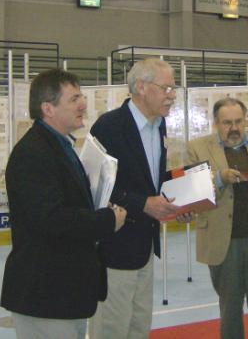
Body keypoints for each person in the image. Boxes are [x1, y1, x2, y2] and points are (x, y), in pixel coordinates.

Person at [0, 68, 127, 339]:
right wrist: (107, 220)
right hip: (45, 295)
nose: (83, 104)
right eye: (73, 99)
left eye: (81, 97)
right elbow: (52, 219)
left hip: (64, 293)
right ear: (48, 108)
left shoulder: (59, 145)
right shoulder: (33, 154)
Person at [88, 58, 181, 339]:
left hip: (145, 246)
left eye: (174, 88)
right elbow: (95, 186)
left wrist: (180, 203)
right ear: (141, 86)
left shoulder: (159, 126)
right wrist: (143, 204)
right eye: (166, 88)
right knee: (112, 329)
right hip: (114, 247)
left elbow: (151, 182)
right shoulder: (109, 126)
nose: (172, 95)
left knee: (139, 326)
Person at [186, 97, 248, 339]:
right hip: (223, 243)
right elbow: (193, 194)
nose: (234, 128)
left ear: (246, 120)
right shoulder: (197, 148)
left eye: (239, 121)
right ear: (215, 123)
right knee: (230, 310)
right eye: (227, 123)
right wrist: (219, 179)